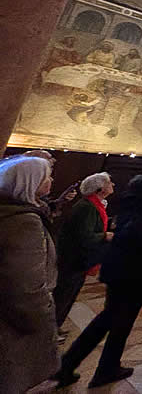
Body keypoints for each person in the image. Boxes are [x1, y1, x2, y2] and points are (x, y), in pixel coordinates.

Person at [54, 173, 142, 388]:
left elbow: (129, 229)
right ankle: (83, 365)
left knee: (111, 318)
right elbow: (136, 232)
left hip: (119, 267)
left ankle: (86, 365)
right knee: (118, 320)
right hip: (135, 271)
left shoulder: (131, 201)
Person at [0, 154, 59, 394]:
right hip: (12, 322)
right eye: (47, 176)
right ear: (30, 182)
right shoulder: (24, 221)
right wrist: (44, 324)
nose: (51, 180)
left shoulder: (9, 212)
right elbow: (26, 286)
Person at [54, 172, 115, 335]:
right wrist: (105, 235)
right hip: (74, 258)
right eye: (109, 182)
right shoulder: (87, 207)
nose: (112, 185)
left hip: (79, 258)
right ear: (100, 188)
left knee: (69, 293)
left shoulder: (94, 205)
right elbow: (84, 235)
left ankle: (55, 326)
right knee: (64, 294)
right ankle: (51, 328)